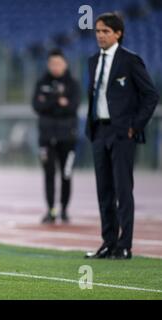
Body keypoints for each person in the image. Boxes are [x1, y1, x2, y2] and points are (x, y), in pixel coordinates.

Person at [85, 13, 159, 259]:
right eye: (97, 31)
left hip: (122, 133)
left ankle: (124, 245)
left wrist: (135, 126)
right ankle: (108, 242)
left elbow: (150, 95)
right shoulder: (93, 60)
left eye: (105, 31)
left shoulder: (130, 60)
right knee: (103, 190)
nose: (100, 35)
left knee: (123, 190)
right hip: (99, 131)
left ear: (118, 33)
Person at [32, 49, 81, 224]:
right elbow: (37, 106)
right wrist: (58, 100)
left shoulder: (72, 84)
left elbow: (72, 107)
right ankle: (51, 210)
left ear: (65, 64)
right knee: (49, 174)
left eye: (58, 63)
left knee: (66, 174)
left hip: (67, 137)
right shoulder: (42, 82)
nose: (55, 67)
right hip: (46, 137)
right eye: (52, 63)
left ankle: (65, 210)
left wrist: (49, 102)